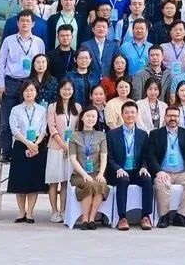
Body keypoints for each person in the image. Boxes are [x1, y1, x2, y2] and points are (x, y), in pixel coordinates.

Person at [0, 10, 47, 162]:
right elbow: (1, 63)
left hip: (30, 83)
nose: (25, 23)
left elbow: (41, 62)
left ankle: (29, 150)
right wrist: (0, 83)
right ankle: (6, 152)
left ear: (33, 23)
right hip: (11, 82)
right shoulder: (9, 41)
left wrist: (39, 83)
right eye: (22, 21)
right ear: (17, 23)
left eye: (28, 21)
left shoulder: (38, 42)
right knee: (6, 121)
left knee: (31, 120)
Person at [147, 105, 185, 228]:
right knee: (161, 183)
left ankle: (181, 215)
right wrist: (158, 171)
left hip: (182, 172)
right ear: (165, 117)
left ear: (179, 118)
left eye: (176, 116)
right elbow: (151, 156)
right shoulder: (155, 134)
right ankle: (164, 216)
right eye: (170, 115)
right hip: (164, 171)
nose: (173, 118)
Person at [106, 101, 154, 230]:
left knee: (147, 180)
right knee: (123, 180)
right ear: (122, 114)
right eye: (126, 112)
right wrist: (118, 169)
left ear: (137, 114)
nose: (130, 115)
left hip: (136, 170)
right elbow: (109, 157)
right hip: (119, 171)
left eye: (133, 112)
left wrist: (144, 167)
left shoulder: (143, 134)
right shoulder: (112, 134)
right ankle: (122, 218)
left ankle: (145, 216)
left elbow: (146, 155)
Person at [7, 80, 48, 223]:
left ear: (36, 92)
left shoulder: (42, 110)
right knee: (20, 180)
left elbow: (43, 129)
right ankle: (21, 212)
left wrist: (36, 143)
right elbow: (14, 129)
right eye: (26, 90)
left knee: (33, 180)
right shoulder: (16, 109)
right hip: (21, 145)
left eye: (32, 90)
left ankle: (30, 212)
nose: (29, 93)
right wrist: (27, 143)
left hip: (37, 146)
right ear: (22, 92)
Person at [45, 79, 80, 223]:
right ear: (59, 90)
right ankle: (54, 211)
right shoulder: (53, 106)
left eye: (69, 89)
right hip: (55, 148)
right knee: (54, 181)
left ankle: (64, 210)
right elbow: (51, 127)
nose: (67, 91)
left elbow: (78, 127)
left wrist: (70, 145)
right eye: (64, 89)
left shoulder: (77, 107)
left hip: (71, 147)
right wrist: (62, 144)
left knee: (66, 181)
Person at [69, 107, 109, 230]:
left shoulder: (101, 135)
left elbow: (104, 156)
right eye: (88, 116)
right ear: (82, 117)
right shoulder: (74, 136)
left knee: (101, 184)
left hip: (96, 173)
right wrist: (84, 174)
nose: (90, 119)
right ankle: (85, 219)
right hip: (79, 175)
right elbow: (73, 159)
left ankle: (92, 218)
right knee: (89, 184)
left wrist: (101, 173)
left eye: (93, 116)